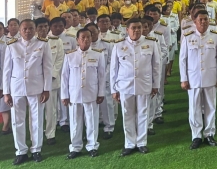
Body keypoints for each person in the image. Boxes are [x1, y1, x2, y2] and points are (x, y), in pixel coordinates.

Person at [2, 19, 53, 164]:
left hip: (36, 87)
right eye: (24, 29)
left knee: (36, 119)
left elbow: (47, 68)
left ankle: (36, 149)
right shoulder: (12, 45)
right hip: (16, 88)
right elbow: (7, 70)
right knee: (17, 120)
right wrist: (6, 92)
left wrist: (46, 89)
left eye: (31, 28)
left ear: (35, 29)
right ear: (20, 30)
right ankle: (21, 151)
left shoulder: (43, 44)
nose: (28, 31)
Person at [109, 17, 160, 156]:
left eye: (139, 28)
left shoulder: (151, 43)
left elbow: (156, 66)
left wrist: (155, 84)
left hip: (144, 83)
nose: (137, 30)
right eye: (133, 28)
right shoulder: (119, 45)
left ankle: (142, 142)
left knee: (143, 113)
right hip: (125, 85)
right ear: (127, 30)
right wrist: (114, 89)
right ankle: (129, 143)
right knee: (127, 114)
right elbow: (113, 69)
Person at [179, 9, 217, 149]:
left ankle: (209, 134)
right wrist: (183, 79)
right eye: (201, 19)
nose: (203, 22)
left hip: (210, 77)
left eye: (206, 19)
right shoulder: (187, 36)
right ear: (195, 21)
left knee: (211, 106)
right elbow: (182, 60)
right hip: (193, 78)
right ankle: (196, 136)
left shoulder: (215, 36)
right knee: (194, 107)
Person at [61, 28, 106, 158]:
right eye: (83, 37)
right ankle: (75, 147)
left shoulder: (98, 54)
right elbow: (64, 77)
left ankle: (92, 146)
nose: (86, 40)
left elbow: (102, 76)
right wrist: (65, 95)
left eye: (88, 37)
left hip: (91, 93)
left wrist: (101, 93)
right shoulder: (70, 55)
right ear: (77, 40)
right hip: (74, 94)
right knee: (75, 122)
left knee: (92, 121)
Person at [40, 18, 65, 146]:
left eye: (45, 26)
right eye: (40, 27)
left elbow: (60, 59)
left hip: (51, 81)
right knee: (37, 110)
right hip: (36, 82)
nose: (43, 29)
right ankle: (38, 133)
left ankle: (50, 134)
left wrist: (52, 75)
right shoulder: (32, 43)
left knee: (51, 109)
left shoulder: (56, 41)